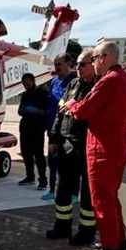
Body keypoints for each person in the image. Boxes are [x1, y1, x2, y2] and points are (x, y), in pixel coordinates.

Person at [66, 41, 126, 250]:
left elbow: (83, 111)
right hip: (118, 149)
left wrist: (72, 104)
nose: (93, 64)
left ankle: (109, 249)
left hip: (101, 150)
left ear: (104, 58)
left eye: (94, 59)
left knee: (101, 201)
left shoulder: (108, 81)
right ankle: (120, 241)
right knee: (111, 198)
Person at [45, 51, 98, 246]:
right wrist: (53, 138)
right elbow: (60, 113)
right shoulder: (73, 84)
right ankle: (62, 226)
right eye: (77, 64)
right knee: (63, 188)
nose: (78, 68)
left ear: (94, 64)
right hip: (67, 145)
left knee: (88, 193)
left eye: (83, 64)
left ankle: (86, 232)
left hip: (87, 146)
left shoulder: (99, 86)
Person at [42, 54, 75, 200]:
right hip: (52, 129)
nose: (56, 67)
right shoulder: (54, 81)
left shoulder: (74, 81)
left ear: (68, 63)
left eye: (59, 64)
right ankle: (51, 189)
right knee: (52, 160)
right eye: (55, 64)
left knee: (68, 163)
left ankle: (72, 192)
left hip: (67, 130)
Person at [16, 72, 50, 188]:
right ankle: (30, 176)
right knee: (26, 153)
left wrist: (36, 111)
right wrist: (25, 110)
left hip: (37, 129)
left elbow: (47, 111)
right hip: (25, 128)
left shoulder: (42, 93)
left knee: (38, 155)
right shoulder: (25, 95)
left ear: (33, 81)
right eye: (23, 84)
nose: (25, 85)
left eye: (27, 83)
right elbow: (20, 111)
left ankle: (43, 180)